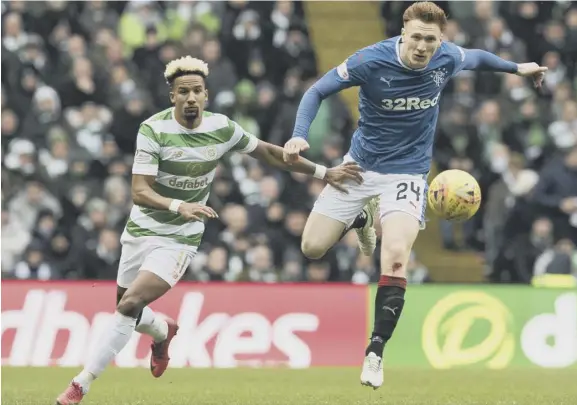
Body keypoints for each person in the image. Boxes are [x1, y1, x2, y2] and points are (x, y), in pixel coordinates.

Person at [55, 55, 363, 405]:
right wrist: (178, 205)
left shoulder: (222, 128)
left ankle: (80, 384)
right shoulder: (153, 129)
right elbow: (139, 190)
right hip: (142, 228)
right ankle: (162, 331)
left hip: (181, 237)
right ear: (172, 96)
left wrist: (325, 172)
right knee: (129, 310)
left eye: (197, 91)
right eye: (183, 91)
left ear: (206, 95)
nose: (190, 98)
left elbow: (270, 154)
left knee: (129, 305)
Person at [282, 1, 547, 390]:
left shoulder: (446, 57)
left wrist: (518, 68)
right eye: (418, 38)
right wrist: (300, 132)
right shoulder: (369, 60)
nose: (424, 46)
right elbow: (317, 90)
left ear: (440, 40)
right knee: (312, 247)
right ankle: (361, 217)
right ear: (403, 34)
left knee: (395, 258)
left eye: (432, 40)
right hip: (359, 167)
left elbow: (475, 56)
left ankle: (375, 351)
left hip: (407, 174)